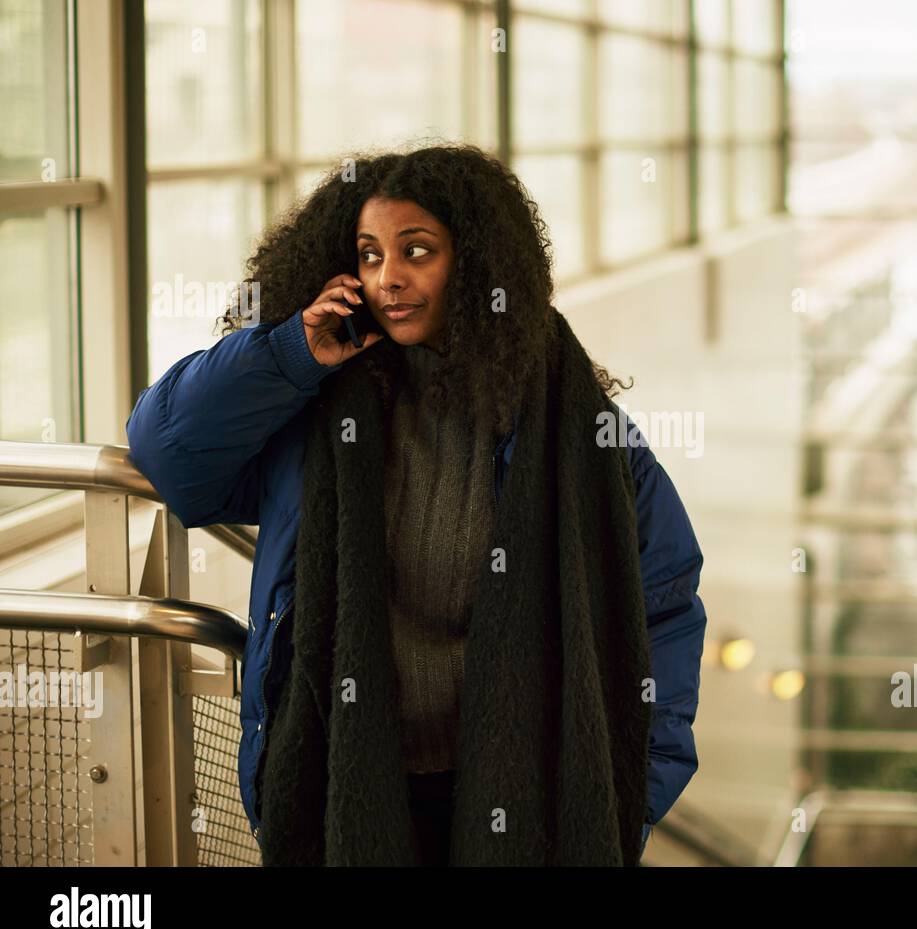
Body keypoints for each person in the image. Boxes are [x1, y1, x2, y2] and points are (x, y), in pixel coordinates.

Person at [125, 143, 707, 865]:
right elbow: (167, 453)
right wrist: (289, 354)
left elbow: (665, 604)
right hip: (352, 784)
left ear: (476, 263)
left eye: (417, 251)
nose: (388, 277)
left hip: (523, 798)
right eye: (369, 255)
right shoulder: (318, 413)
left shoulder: (576, 430)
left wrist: (624, 793)